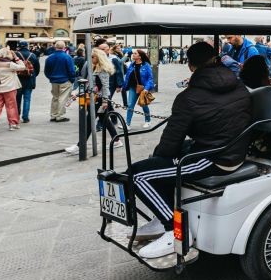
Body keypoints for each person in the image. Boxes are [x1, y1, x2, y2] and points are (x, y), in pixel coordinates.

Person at [132, 42, 253, 258]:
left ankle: (173, 229)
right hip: (234, 149)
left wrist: (159, 160)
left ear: (190, 66)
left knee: (138, 174)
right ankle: (163, 215)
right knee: (159, 165)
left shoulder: (188, 97)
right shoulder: (238, 85)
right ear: (217, 59)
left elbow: (170, 143)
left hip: (214, 158)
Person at [67, 48, 122, 155]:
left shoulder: (103, 70)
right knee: (106, 120)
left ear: (99, 58)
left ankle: (80, 146)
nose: (91, 58)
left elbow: (106, 87)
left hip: (100, 100)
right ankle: (117, 140)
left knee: (89, 121)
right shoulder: (93, 67)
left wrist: (105, 101)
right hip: (94, 98)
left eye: (93, 57)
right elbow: (88, 84)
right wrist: (76, 93)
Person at [0, 47, 24, 132]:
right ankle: (13, 124)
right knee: (11, 106)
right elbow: (22, 67)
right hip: (10, 88)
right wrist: (16, 57)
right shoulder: (10, 64)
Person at [44, 40, 75, 122]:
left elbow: (46, 71)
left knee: (55, 97)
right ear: (64, 47)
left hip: (54, 80)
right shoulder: (67, 57)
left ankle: (53, 115)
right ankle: (59, 116)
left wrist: (50, 77)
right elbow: (71, 70)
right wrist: (72, 80)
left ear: (55, 47)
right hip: (65, 80)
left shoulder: (50, 57)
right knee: (62, 98)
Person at [124, 48, 154, 128]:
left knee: (143, 105)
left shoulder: (146, 65)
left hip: (143, 88)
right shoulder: (132, 64)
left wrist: (146, 89)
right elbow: (127, 76)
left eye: (135, 53)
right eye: (133, 53)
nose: (133, 54)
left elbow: (150, 78)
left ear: (140, 56)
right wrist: (123, 86)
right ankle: (127, 124)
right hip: (133, 87)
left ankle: (148, 121)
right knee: (130, 105)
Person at [14, 40, 40, 124]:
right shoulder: (33, 55)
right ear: (27, 46)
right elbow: (37, 69)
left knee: (17, 99)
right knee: (27, 99)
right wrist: (32, 75)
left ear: (19, 46)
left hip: (17, 80)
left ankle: (16, 116)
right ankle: (25, 117)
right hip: (29, 80)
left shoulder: (15, 54)